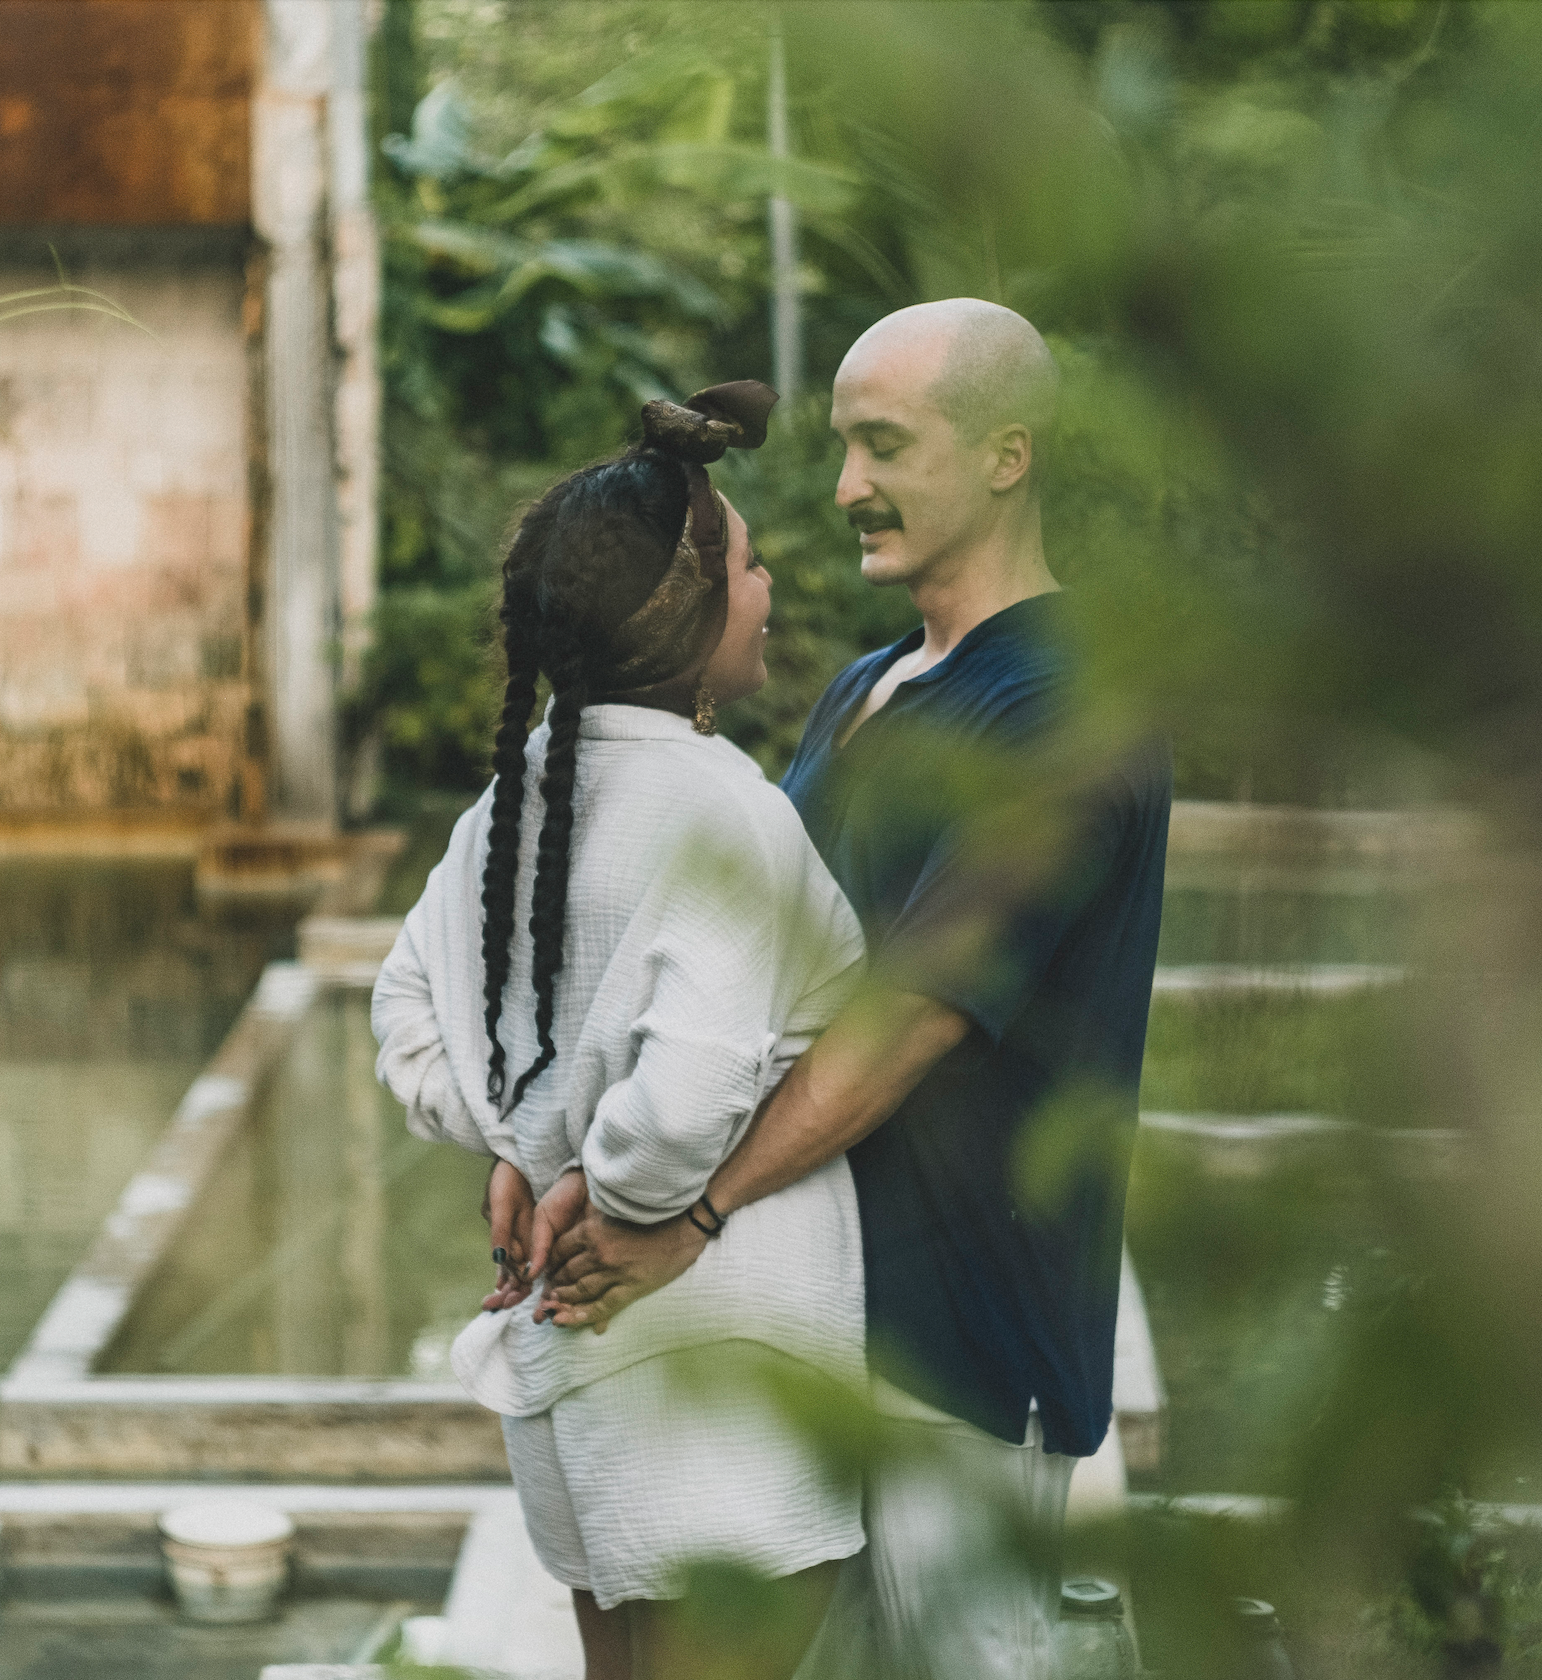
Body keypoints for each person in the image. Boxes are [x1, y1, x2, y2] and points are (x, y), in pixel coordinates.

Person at [535, 300, 1173, 1679]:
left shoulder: (1069, 707)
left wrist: (692, 1211)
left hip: (963, 1346)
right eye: (840, 446)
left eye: (883, 444)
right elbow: (736, 972)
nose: (842, 487)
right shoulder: (868, 688)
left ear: (1006, 455)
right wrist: (583, 1158)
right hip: (811, 1315)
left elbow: (913, 1013)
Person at [371, 382, 872, 1680]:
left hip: (573, 1369)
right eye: (748, 566)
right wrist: (623, 1191)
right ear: (688, 615)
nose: (766, 586)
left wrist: (515, 1139)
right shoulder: (726, 811)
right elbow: (690, 1083)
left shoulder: (512, 806)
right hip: (717, 1361)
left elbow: (406, 1016)